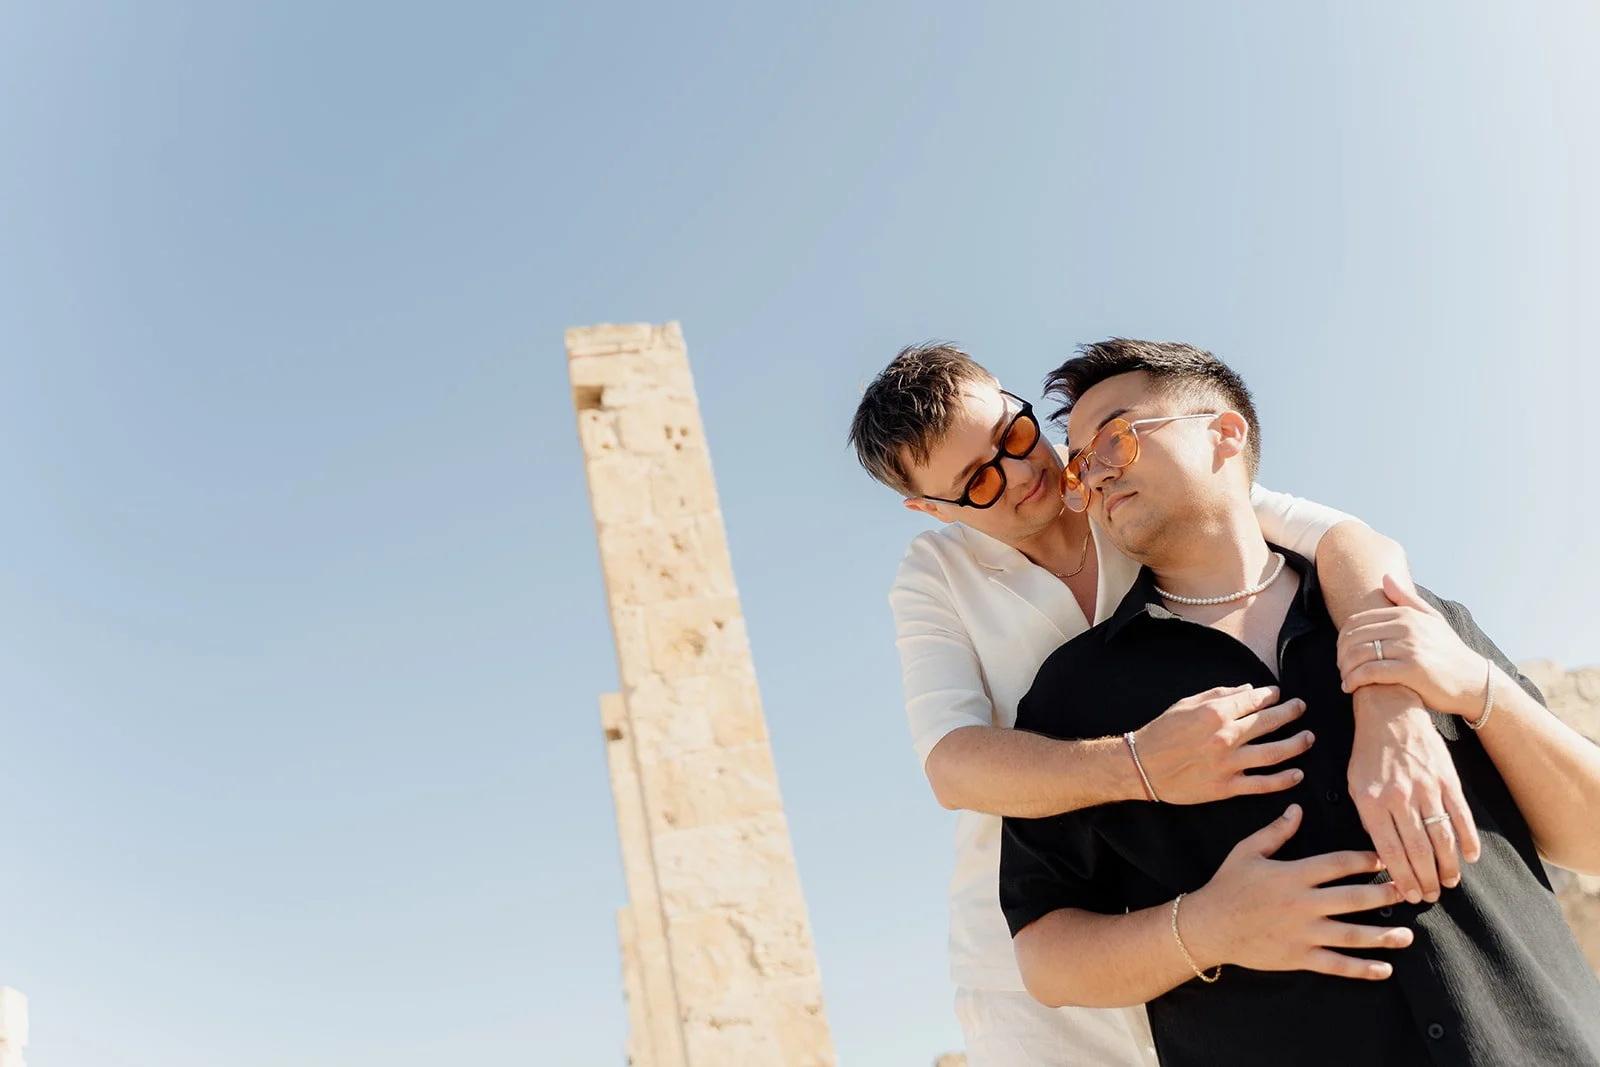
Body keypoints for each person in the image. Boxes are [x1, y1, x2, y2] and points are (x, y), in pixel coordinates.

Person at [849, 344, 1475, 1067]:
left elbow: (1349, 542)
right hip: (1045, 952)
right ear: (929, 507)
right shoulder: (935, 574)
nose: (1024, 472)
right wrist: (1141, 765)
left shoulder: (1131, 483)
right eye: (980, 481)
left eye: (1014, 435)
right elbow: (952, 765)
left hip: (1219, 895)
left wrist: (1388, 705)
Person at [999, 339, 1600, 1066]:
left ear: (1225, 433)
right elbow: (1045, 957)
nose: (1093, 472)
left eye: (1117, 438)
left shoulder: (1412, 610)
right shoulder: (1074, 695)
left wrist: (1479, 689)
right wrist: (1207, 926)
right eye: (1082, 460)